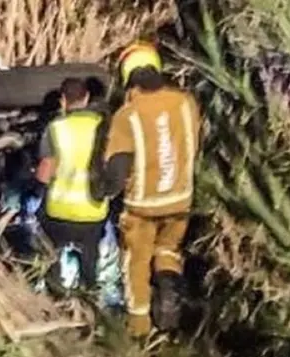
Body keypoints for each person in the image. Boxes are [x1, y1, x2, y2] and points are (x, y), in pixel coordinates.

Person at [96, 41, 202, 337]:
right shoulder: (185, 103)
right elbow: (191, 145)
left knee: (136, 262)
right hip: (180, 198)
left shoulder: (127, 115)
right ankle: (169, 296)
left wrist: (103, 190)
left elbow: (117, 169)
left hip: (142, 206)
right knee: (168, 249)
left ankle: (139, 327)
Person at [34, 77, 110, 295]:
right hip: (92, 213)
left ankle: (55, 293)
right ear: (86, 98)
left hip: (58, 213)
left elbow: (46, 167)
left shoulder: (56, 127)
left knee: (51, 253)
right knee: (90, 256)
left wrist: (35, 189)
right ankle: (90, 293)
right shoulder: (101, 126)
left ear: (63, 101)